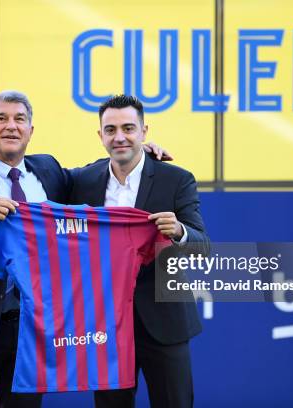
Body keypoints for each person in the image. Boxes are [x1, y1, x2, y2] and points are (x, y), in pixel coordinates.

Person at [0, 90, 169, 407]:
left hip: (33, 330)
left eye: (19, 119)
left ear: (30, 131)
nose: (11, 126)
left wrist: (135, 152)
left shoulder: (49, 171)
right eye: (1, 119)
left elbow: (93, 174)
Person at [68, 94, 210, 408]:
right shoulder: (82, 180)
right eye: (111, 130)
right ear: (100, 136)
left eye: (129, 128)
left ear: (145, 131)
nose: (120, 136)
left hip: (165, 322)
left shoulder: (177, 180)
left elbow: (203, 247)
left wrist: (179, 232)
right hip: (106, 325)